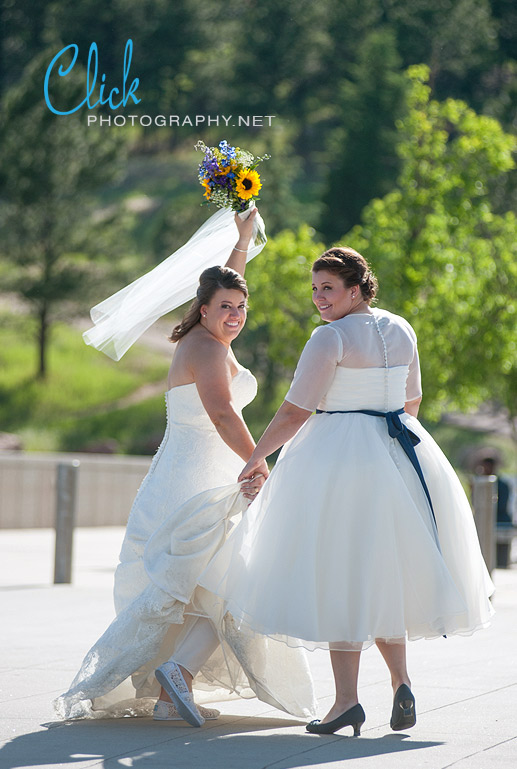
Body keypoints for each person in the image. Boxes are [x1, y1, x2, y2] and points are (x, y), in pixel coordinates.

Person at [199, 246, 494, 736]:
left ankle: (346, 703)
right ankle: (401, 683)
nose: (319, 298)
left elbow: (296, 411)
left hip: (337, 456)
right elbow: (412, 398)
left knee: (340, 574)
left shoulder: (329, 338)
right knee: (384, 575)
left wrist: (257, 456)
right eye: (315, 289)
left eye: (328, 288)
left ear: (354, 290)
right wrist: (388, 449)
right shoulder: (402, 328)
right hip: (399, 448)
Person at [54, 210, 316, 725]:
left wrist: (242, 243)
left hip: (201, 476)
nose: (236, 314)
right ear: (202, 308)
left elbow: (223, 284)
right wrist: (260, 464)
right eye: (226, 308)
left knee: (219, 585)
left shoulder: (212, 339)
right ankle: (177, 673)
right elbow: (221, 413)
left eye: (242, 307)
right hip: (195, 484)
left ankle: (175, 688)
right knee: (230, 583)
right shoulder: (206, 348)